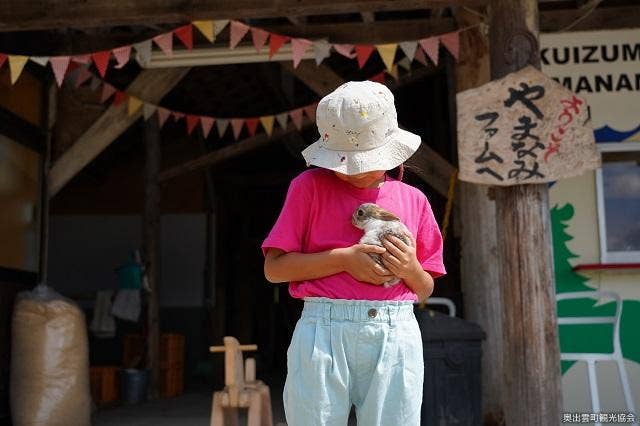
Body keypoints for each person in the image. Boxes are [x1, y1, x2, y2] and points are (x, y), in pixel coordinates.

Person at [261, 80, 446, 426]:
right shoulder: (308, 188)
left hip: (396, 331)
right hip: (322, 330)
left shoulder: (414, 200)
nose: (358, 170)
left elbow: (425, 288)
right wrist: (344, 259)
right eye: (349, 162)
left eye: (367, 161)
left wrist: (408, 267)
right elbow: (274, 269)